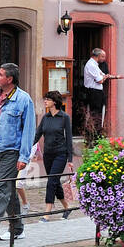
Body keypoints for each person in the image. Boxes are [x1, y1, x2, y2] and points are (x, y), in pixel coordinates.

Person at [0, 62, 35, 246]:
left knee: (1, 189)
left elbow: (28, 130)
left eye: (0, 74)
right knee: (8, 188)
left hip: (11, 150)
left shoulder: (24, 99)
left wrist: (24, 157)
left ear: (9, 79)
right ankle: (17, 228)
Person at [31, 92, 74, 221]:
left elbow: (69, 139)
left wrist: (70, 160)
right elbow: (37, 135)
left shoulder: (64, 117)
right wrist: (26, 149)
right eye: (45, 99)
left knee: (51, 182)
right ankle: (67, 207)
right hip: (48, 155)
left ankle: (47, 213)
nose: (45, 101)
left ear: (54, 102)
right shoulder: (45, 118)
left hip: (60, 154)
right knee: (55, 182)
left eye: (48, 99)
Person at [83, 48, 118, 129]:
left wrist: (114, 77)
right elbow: (100, 81)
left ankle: (96, 131)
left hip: (95, 91)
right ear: (98, 56)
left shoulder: (94, 64)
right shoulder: (91, 65)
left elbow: (102, 75)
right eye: (102, 56)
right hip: (94, 92)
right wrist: (104, 77)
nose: (104, 58)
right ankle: (95, 133)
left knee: (98, 112)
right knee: (95, 114)